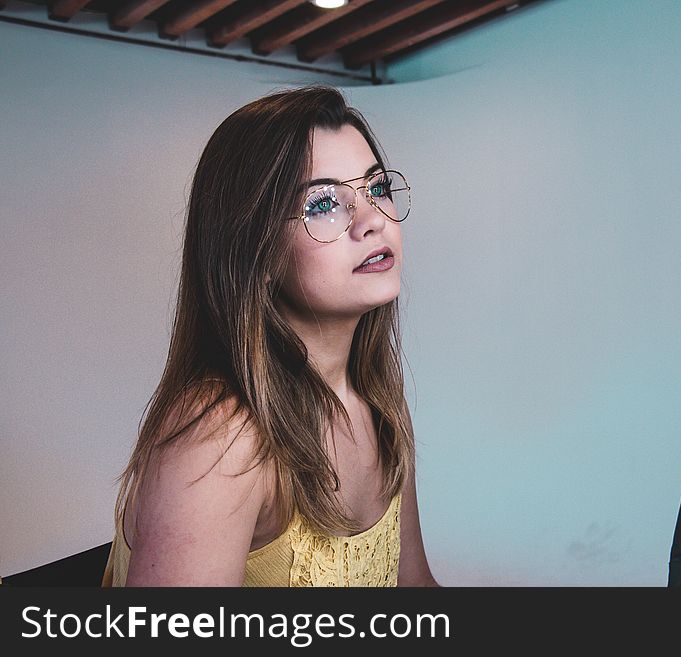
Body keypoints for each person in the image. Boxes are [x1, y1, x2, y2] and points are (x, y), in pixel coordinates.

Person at [101, 84, 439, 587]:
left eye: (376, 188)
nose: (372, 220)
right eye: (324, 203)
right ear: (254, 250)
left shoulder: (380, 402)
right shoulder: (220, 435)